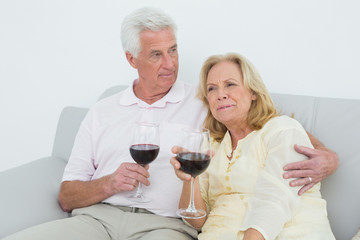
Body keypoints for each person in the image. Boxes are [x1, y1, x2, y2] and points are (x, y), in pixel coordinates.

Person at [3, 7, 337, 240]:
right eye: (156, 54)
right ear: (131, 59)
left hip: (165, 228)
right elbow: (66, 196)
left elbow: (263, 123)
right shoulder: (102, 111)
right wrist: (108, 184)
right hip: (96, 220)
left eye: (174, 51)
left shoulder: (205, 98)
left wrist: (328, 156)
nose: (170, 64)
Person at [170, 53, 335, 239]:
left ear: (253, 92)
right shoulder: (211, 145)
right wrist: (188, 180)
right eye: (211, 88)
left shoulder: (281, 129)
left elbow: (275, 200)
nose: (220, 94)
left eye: (230, 84)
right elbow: (196, 220)